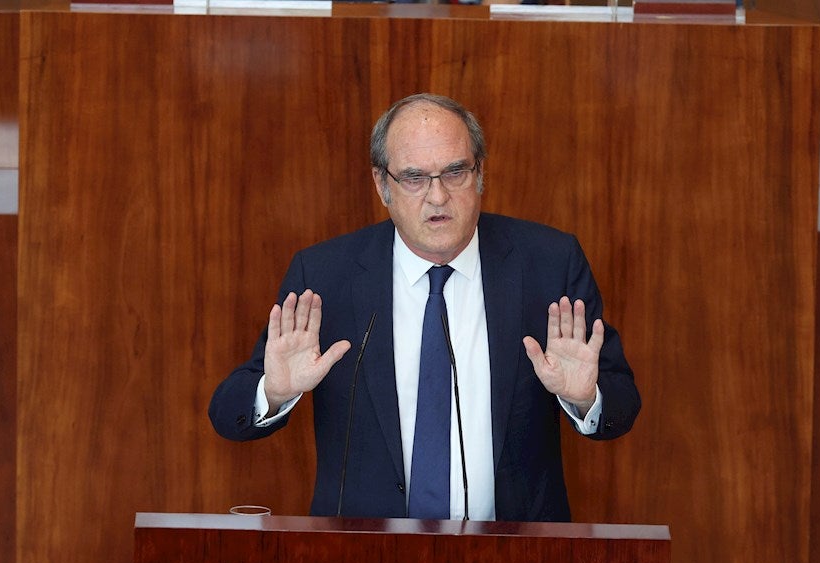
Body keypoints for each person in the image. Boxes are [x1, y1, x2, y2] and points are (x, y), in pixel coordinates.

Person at [209, 94, 639, 522]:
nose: (437, 197)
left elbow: (622, 405)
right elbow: (228, 416)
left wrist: (585, 399)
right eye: (414, 177)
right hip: (363, 562)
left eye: (454, 172)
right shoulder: (325, 277)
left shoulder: (548, 263)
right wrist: (275, 392)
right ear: (382, 185)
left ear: (480, 173)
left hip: (514, 561)